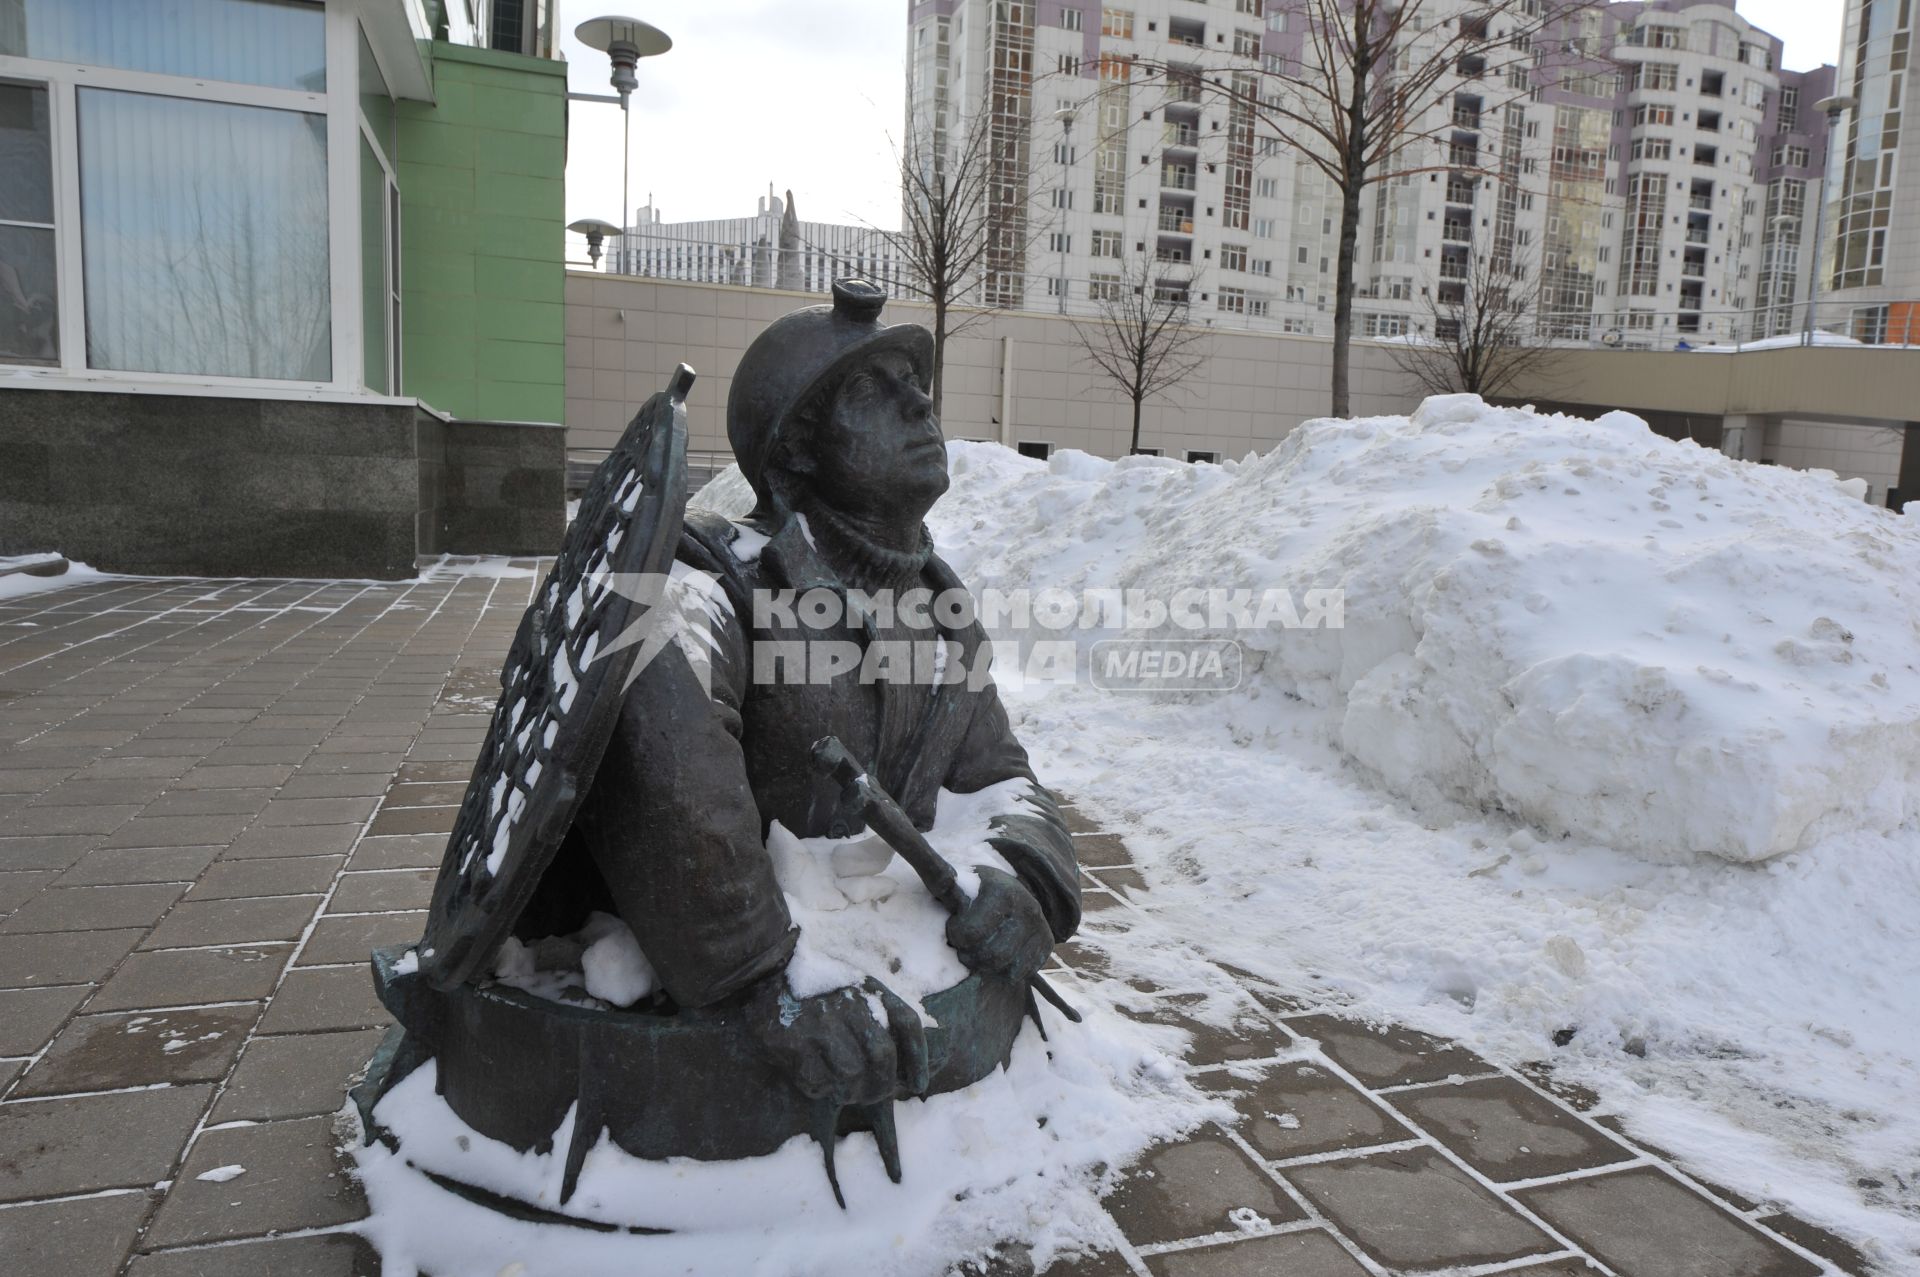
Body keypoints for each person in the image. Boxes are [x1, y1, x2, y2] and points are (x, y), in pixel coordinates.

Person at [553, 279, 1080, 1113]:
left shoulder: (941, 615)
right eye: (872, 388)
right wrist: (763, 974)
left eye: (916, 379)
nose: (919, 402)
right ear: (796, 448)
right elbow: (659, 740)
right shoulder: (711, 578)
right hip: (747, 975)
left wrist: (1025, 874)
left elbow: (1002, 780)